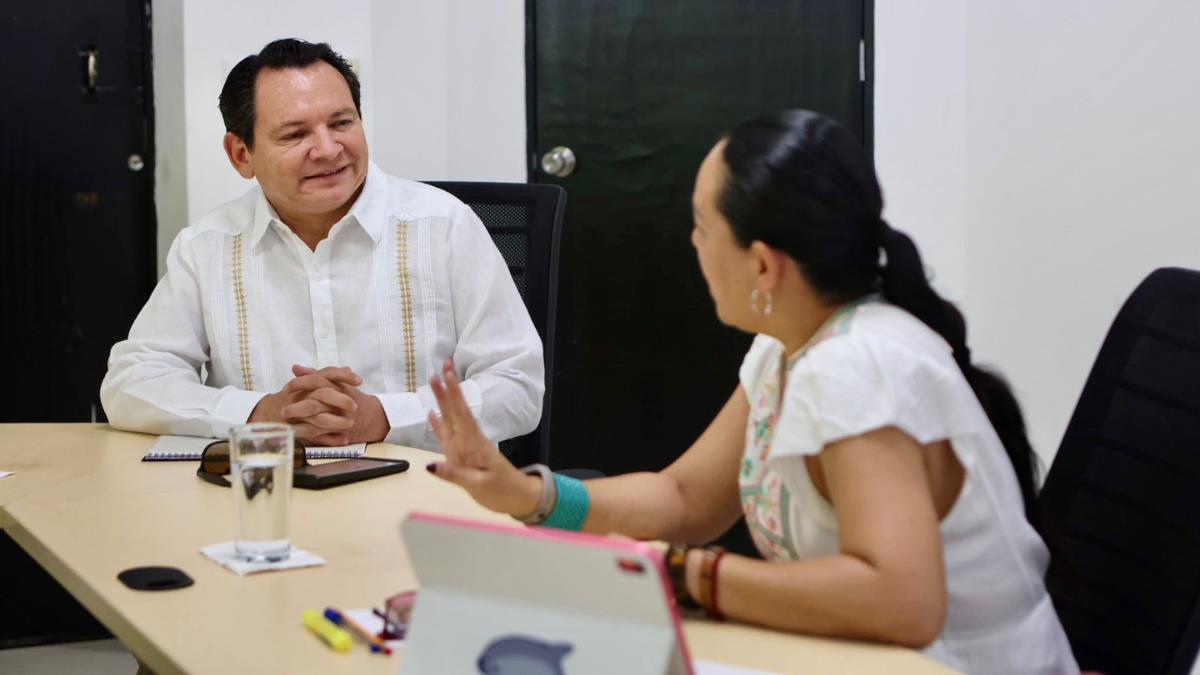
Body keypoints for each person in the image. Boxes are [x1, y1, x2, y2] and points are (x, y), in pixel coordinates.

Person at [420, 111, 1079, 673]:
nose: (693, 242)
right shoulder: (790, 344)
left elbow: (902, 600)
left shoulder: (858, 367)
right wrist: (530, 493)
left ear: (763, 263)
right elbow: (685, 498)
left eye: (703, 225)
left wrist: (688, 576)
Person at [100, 39, 543, 448]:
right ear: (241, 155)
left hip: (423, 504)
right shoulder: (206, 246)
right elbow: (130, 383)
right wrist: (256, 412)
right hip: (266, 501)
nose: (328, 150)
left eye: (341, 123)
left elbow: (517, 385)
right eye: (295, 135)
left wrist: (388, 417)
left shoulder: (444, 226)